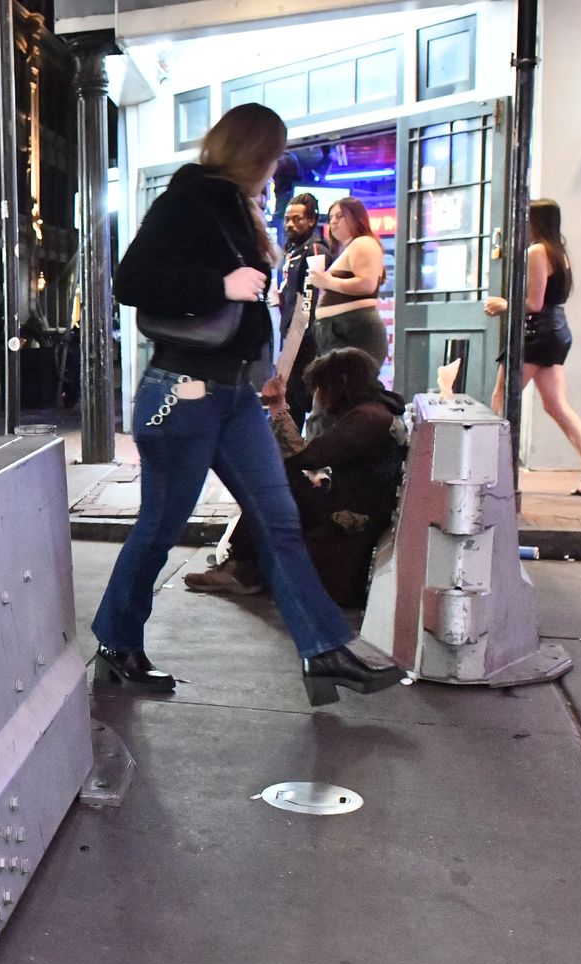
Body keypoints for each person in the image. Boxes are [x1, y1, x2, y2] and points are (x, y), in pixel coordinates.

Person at [92, 104, 403, 708]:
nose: (277, 168)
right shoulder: (192, 196)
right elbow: (131, 282)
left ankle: (323, 650)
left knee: (280, 518)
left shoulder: (237, 207)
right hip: (181, 394)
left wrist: (267, 374)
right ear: (256, 152)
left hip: (233, 396)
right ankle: (116, 643)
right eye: (274, 154)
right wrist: (222, 285)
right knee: (160, 525)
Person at [185, 347, 407, 608]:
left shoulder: (367, 418)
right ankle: (242, 563)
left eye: (322, 389)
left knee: (275, 483)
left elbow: (305, 456)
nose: (320, 399)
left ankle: (242, 567)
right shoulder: (376, 410)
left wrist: (279, 406)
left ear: (339, 385)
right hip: (351, 508)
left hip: (349, 518)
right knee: (283, 481)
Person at [486, 199, 581, 496]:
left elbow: (533, 304)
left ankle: (492, 467)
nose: (522, 224)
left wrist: (503, 304)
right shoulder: (559, 252)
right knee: (555, 404)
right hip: (556, 329)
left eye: (525, 218)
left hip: (537, 332)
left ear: (535, 221)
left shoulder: (537, 252)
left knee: (502, 396)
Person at [311, 197, 388, 370]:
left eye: (340, 216)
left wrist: (329, 282)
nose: (333, 222)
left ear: (356, 217)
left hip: (352, 329)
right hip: (341, 330)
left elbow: (367, 284)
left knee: (344, 390)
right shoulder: (352, 246)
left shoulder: (363, 243)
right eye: (331, 217)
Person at [274, 192, 329, 429]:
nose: (290, 224)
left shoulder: (315, 250)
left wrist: (299, 339)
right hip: (291, 335)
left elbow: (313, 297)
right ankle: (290, 457)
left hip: (304, 339)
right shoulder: (294, 250)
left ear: (311, 220)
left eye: (297, 219)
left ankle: (299, 457)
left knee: (299, 399)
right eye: (287, 218)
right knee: (288, 398)